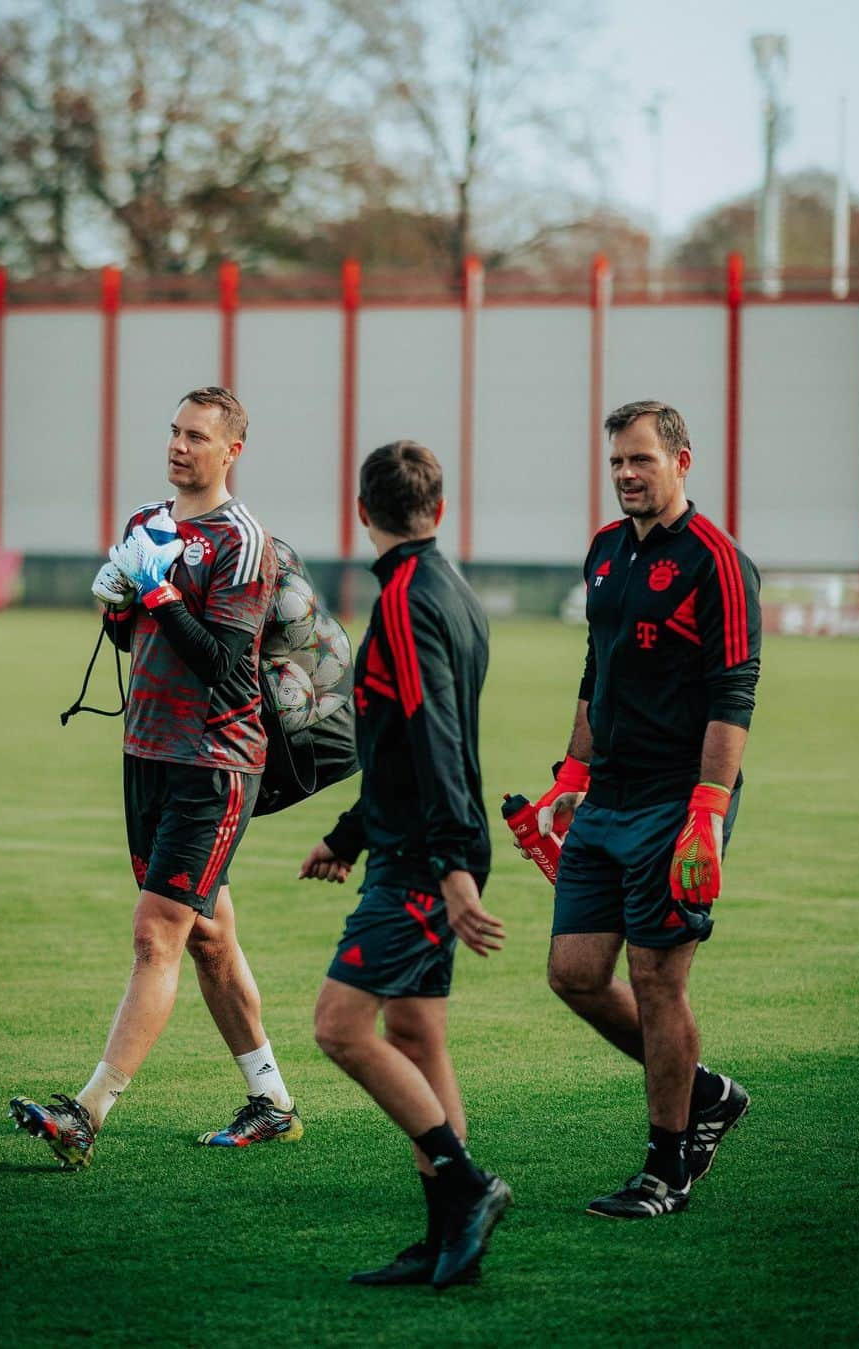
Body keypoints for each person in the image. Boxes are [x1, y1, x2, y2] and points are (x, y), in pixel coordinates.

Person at [10, 386, 302, 1169]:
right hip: (147, 753)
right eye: (174, 431)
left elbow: (223, 660)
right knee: (209, 938)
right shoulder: (150, 521)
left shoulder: (243, 540)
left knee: (156, 934)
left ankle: (86, 1111)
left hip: (213, 762)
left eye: (197, 436)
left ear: (231, 449)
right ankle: (271, 1100)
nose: (179, 446)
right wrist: (117, 605)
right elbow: (136, 639)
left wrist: (159, 591)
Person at [535, 400, 761, 1219]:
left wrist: (707, 812)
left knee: (657, 980)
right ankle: (706, 1093)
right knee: (574, 972)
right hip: (608, 795)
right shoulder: (602, 551)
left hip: (678, 802)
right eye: (618, 463)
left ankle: (667, 1168)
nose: (629, 475)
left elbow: (734, 692)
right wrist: (569, 775)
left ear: (682, 462)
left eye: (643, 461)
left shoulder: (717, 562)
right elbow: (599, 671)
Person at [300, 441, 511, 1289]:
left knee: (339, 1027)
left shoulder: (404, 601)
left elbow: (434, 737)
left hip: (426, 859)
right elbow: (401, 741)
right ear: (441, 509)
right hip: (414, 844)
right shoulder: (455, 592)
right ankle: (441, 1240)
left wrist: (453, 866)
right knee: (416, 1031)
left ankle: (466, 1187)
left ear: (361, 512)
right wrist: (350, 834)